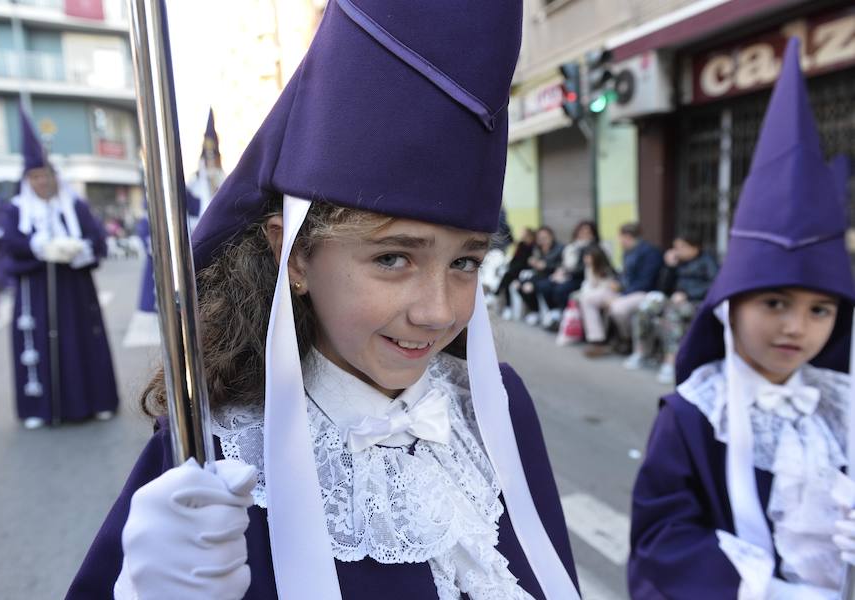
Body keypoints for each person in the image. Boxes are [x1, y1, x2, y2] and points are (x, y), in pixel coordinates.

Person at [68, 2, 580, 599]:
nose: (439, 311)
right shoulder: (216, 453)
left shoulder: (495, 407)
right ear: (296, 257)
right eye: (393, 258)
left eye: (465, 261)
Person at [629, 39, 855, 599]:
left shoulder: (839, 405)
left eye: (819, 309)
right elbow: (663, 537)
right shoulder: (695, 414)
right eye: (774, 302)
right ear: (730, 304)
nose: (796, 328)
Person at [0, 107, 119, 429]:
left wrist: (79, 250)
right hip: (36, 290)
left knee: (80, 340)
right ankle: (40, 407)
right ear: (27, 180)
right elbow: (9, 244)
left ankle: (94, 401)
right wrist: (38, 248)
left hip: (75, 288)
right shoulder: (16, 210)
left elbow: (97, 241)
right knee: (39, 343)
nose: (42, 182)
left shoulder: (74, 205)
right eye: (35, 177)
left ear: (55, 176)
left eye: (46, 175)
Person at [624, 231, 718, 384]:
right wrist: (668, 267)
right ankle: (641, 352)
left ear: (694, 247)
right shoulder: (677, 262)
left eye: (681, 247)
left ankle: (670, 361)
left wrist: (687, 294)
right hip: (673, 299)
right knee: (645, 309)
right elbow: (663, 287)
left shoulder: (707, 261)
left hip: (695, 303)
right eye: (675, 247)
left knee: (671, 313)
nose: (677, 251)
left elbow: (714, 286)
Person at [584, 222, 662, 357]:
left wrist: (621, 294)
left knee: (618, 308)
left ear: (627, 236)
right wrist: (616, 283)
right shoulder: (628, 252)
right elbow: (624, 275)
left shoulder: (650, 252)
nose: (618, 240)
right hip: (624, 291)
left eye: (619, 237)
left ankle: (627, 339)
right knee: (588, 299)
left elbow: (646, 282)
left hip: (642, 293)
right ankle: (597, 340)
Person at [532, 220, 598, 323]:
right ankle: (555, 312)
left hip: (581, 278)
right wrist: (560, 272)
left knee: (560, 289)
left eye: (587, 232)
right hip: (566, 274)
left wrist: (564, 273)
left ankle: (563, 315)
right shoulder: (572, 246)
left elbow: (581, 269)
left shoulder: (592, 248)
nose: (583, 234)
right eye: (581, 231)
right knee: (544, 285)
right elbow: (564, 263)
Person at [516, 225, 561, 325]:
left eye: (545, 237)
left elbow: (560, 265)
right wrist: (532, 262)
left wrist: (545, 266)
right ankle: (534, 310)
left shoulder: (559, 248)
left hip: (552, 275)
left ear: (551, 236)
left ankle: (552, 311)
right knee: (519, 284)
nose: (543, 240)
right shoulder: (537, 249)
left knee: (538, 286)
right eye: (540, 238)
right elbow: (533, 266)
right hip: (539, 275)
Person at [576, 244, 617, 342]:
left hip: (608, 294)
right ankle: (590, 334)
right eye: (585, 257)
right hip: (596, 295)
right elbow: (588, 285)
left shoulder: (605, 270)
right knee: (582, 298)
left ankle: (596, 337)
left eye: (588, 257)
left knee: (586, 299)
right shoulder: (589, 268)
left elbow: (608, 287)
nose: (585, 259)